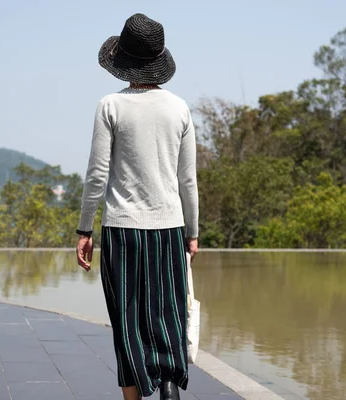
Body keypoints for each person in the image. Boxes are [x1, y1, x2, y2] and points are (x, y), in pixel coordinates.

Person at [75, 13, 199, 400]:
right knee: (168, 321)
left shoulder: (110, 105)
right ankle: (168, 388)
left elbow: (97, 175)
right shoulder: (179, 108)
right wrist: (192, 233)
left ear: (123, 62)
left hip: (123, 232)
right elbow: (187, 181)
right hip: (169, 230)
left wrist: (84, 229)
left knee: (128, 325)